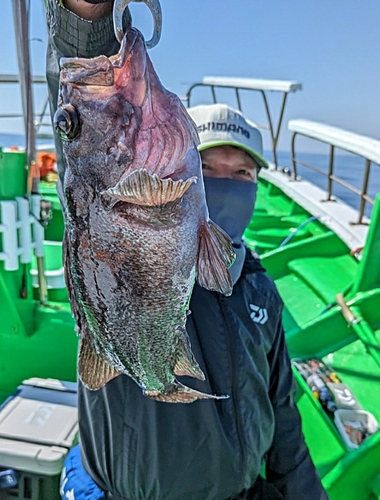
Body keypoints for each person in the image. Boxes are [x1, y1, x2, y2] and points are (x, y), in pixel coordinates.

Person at [46, 1, 330, 499]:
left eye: (241, 174)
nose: (225, 183)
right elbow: (90, 128)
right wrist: (85, 18)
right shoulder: (119, 191)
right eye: (210, 166)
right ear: (186, 166)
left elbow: (282, 417)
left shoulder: (259, 288)